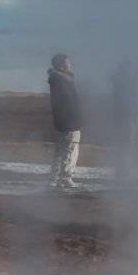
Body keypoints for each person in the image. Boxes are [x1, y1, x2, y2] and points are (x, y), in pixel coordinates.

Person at [47, 54, 82, 189]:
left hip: (63, 119)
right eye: (67, 62)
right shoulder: (63, 80)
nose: (70, 64)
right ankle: (65, 177)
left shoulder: (58, 79)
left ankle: (55, 177)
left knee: (61, 149)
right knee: (70, 148)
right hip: (69, 120)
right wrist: (76, 117)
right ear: (62, 65)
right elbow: (69, 103)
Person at [110, 60, 138, 182]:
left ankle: (122, 173)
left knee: (123, 148)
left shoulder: (120, 82)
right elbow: (128, 102)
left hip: (122, 119)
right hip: (125, 119)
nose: (133, 71)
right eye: (132, 68)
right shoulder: (125, 83)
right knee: (125, 147)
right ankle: (123, 174)